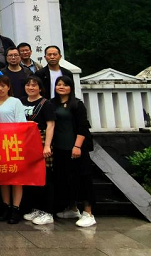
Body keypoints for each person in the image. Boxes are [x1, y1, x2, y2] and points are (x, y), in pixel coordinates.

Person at [51, 75, 96, 227]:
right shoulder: (52, 103)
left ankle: (88, 213)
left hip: (76, 148)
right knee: (66, 179)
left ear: (71, 88)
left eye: (65, 85)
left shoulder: (77, 104)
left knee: (83, 179)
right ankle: (73, 208)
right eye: (58, 84)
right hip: (60, 148)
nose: (61, 87)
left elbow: (83, 127)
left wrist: (77, 146)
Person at [20, 75, 56, 226]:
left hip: (40, 140)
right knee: (30, 176)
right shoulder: (21, 101)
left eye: (34, 85)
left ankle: (48, 212)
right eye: (28, 85)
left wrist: (47, 145)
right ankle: (36, 208)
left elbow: (50, 125)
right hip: (25, 142)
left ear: (40, 88)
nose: (31, 87)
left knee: (45, 175)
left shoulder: (46, 103)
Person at [0, 76, 27, 224]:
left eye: (3, 86)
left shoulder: (15, 102)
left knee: (16, 178)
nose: (0, 89)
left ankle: (16, 208)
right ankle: (6, 206)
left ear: (8, 87)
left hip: (13, 143)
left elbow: (21, 122)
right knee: (3, 177)